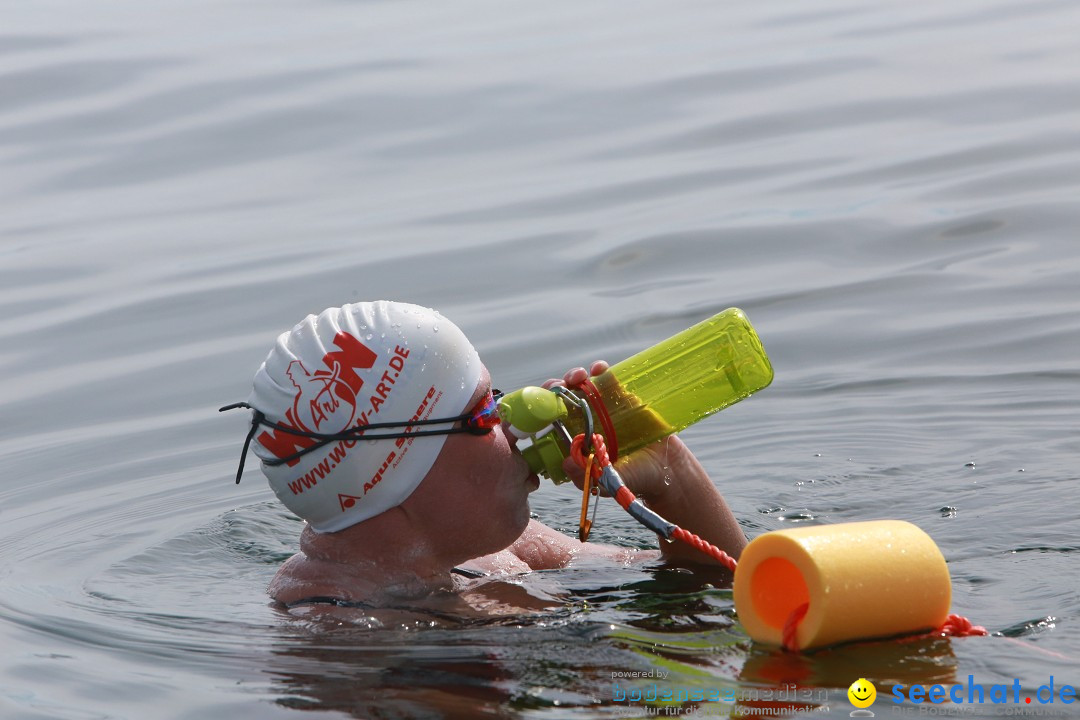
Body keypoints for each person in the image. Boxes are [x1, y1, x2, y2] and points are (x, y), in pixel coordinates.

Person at [225, 301, 746, 615]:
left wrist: (670, 474)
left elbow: (725, 586)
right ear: (400, 472)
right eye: (483, 413)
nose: (517, 424)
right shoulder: (338, 636)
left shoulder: (500, 550)